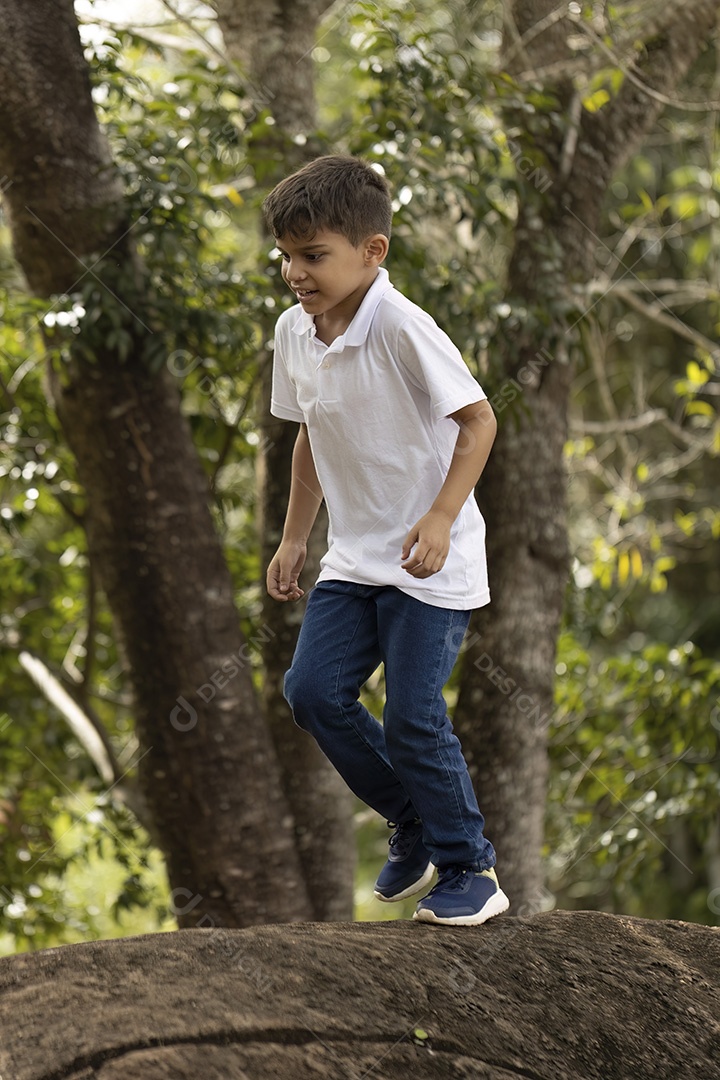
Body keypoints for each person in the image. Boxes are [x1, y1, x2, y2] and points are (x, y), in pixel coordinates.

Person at [263, 154, 508, 926]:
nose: (296, 273)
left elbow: (479, 421)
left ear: (373, 252)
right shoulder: (293, 332)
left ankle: (472, 868)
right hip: (356, 557)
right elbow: (308, 436)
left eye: (314, 256)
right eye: (286, 257)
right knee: (311, 693)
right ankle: (413, 817)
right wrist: (295, 537)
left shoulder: (402, 326)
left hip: (429, 564)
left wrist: (439, 515)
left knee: (411, 713)